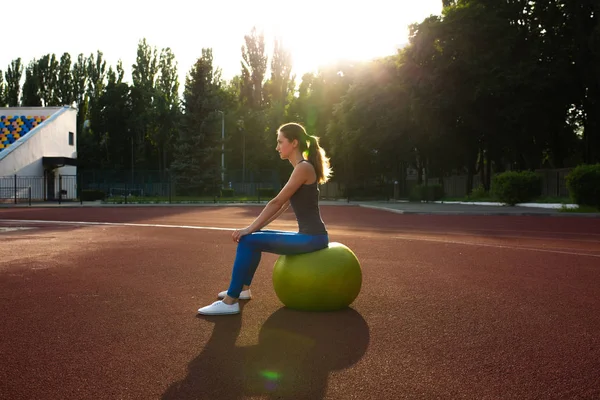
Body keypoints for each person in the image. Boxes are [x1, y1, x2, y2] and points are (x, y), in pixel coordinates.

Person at [197, 122, 333, 315]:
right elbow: (283, 206)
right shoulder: (301, 168)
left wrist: (248, 229)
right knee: (252, 237)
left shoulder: (303, 168)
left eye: (280, 142)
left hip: (312, 238)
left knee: (248, 240)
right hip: (311, 236)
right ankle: (243, 290)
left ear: (294, 143)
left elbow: (276, 202)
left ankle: (230, 302)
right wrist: (255, 228)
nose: (277, 147)